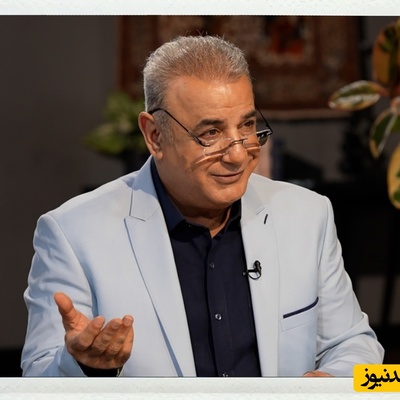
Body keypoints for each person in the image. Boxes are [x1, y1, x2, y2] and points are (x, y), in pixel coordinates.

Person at [21, 35, 384, 378]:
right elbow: (36, 383)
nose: (238, 155)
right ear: (155, 136)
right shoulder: (73, 234)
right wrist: (85, 367)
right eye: (211, 133)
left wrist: (331, 383)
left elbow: (359, 350)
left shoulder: (307, 215)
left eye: (247, 125)